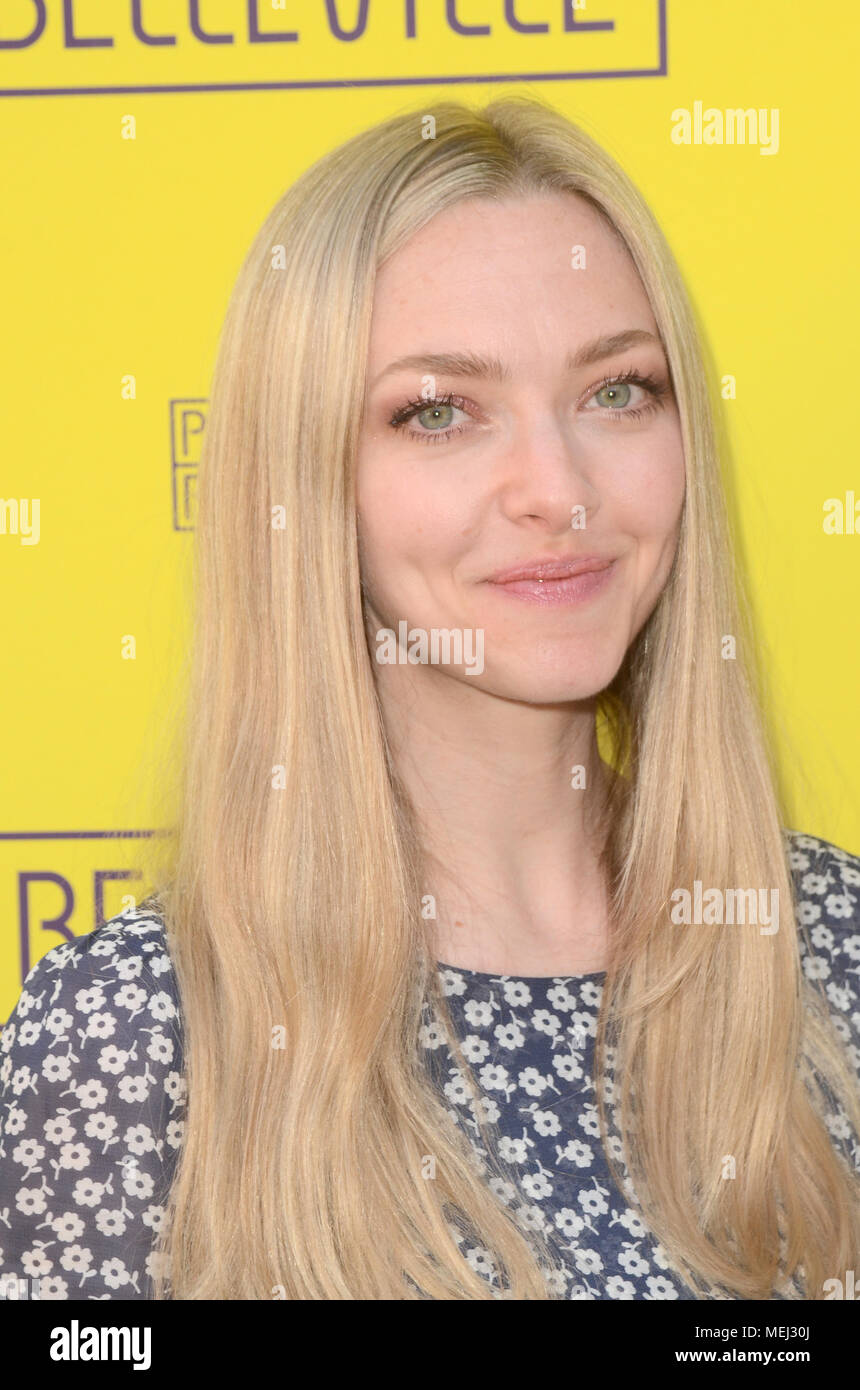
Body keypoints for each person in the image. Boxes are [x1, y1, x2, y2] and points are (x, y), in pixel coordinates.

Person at [1, 97, 858, 1302]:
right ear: (306, 481)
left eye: (617, 390)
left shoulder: (829, 947)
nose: (556, 488)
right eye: (438, 411)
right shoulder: (134, 1036)